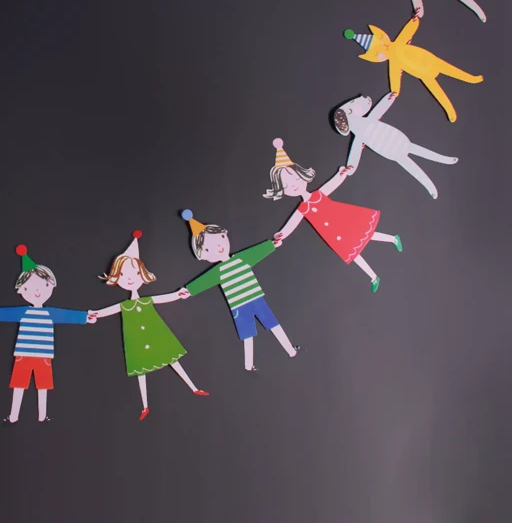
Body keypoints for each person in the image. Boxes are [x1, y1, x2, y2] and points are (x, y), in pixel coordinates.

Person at [90, 230, 208, 420]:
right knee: (141, 369)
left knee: (172, 360)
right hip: (136, 339)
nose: (130, 278)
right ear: (117, 277)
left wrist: (178, 294)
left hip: (156, 333)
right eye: (124, 274)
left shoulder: (146, 301)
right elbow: (108, 310)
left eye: (135, 273)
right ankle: (145, 406)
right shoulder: (125, 306)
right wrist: (94, 314)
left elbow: (164, 298)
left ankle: (194, 388)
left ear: (142, 274)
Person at [266, 138, 402, 292]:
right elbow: (292, 223)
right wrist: (281, 235)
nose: (294, 186)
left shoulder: (318, 195)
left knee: (366, 234)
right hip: (333, 233)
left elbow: (331, 185)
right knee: (353, 252)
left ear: (303, 176)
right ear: (283, 190)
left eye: (296, 179)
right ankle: (374, 276)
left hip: (342, 219)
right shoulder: (302, 208)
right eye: (287, 186)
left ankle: (393, 239)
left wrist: (341, 174)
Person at [0, 245, 96, 423]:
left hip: (43, 356)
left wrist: (85, 317)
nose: (37, 291)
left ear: (51, 286)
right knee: (19, 385)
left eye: (44, 285)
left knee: (43, 386)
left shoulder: (50, 313)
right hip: (24, 355)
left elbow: (68, 315)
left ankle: (42, 415)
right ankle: (14, 415)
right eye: (30, 287)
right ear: (21, 290)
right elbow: (6, 313)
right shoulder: (24, 312)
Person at [180, 210, 300, 372]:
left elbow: (256, 253)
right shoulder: (218, 271)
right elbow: (204, 281)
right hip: (239, 305)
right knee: (248, 334)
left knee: (273, 325)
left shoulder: (241, 258)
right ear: (203, 256)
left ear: (224, 236)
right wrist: (190, 290)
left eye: (219, 240)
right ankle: (248, 365)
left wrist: (271, 245)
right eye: (208, 249)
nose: (218, 247)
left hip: (256, 299)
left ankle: (290, 350)